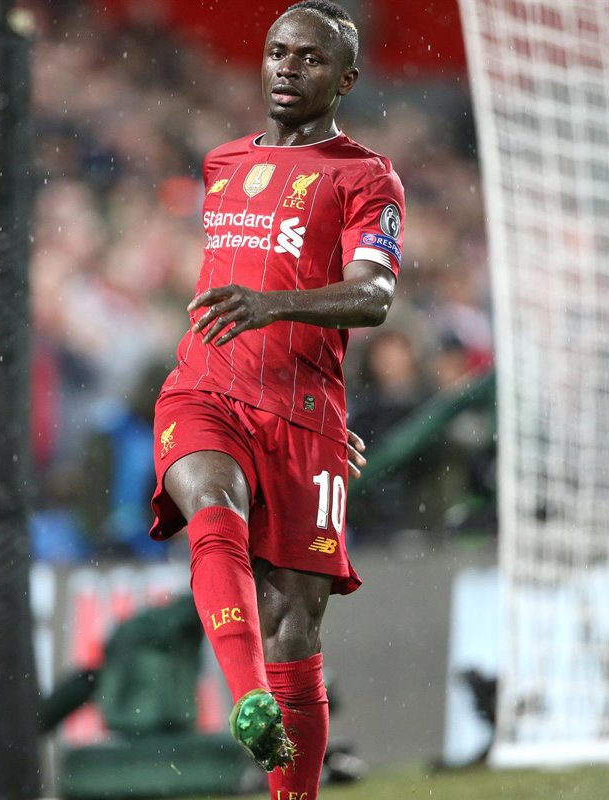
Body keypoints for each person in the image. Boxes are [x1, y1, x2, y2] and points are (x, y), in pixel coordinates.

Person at [146, 2, 404, 797]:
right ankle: (247, 694)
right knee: (211, 501)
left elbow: (373, 297)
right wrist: (251, 323)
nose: (288, 67)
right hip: (205, 387)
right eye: (277, 52)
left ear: (345, 80)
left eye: (310, 58)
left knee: (295, 624)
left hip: (303, 417)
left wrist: (274, 310)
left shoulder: (366, 178)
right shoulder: (222, 164)